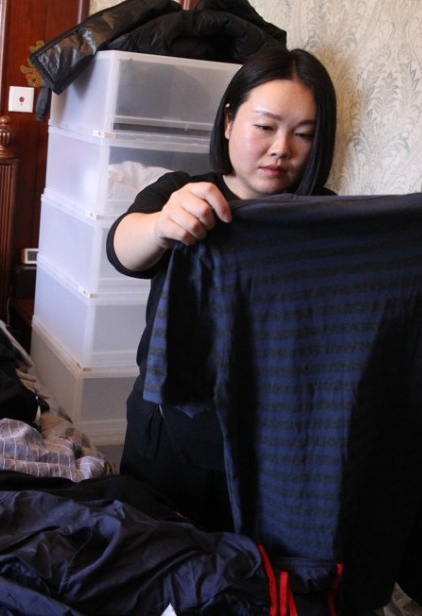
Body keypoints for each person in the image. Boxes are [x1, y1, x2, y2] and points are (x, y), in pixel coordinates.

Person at [105, 45, 338, 531]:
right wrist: (162, 225)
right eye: (266, 126)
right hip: (168, 433)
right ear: (229, 121)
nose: (282, 148)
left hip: (278, 442)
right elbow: (122, 250)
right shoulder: (180, 191)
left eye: (304, 135)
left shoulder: (331, 220)